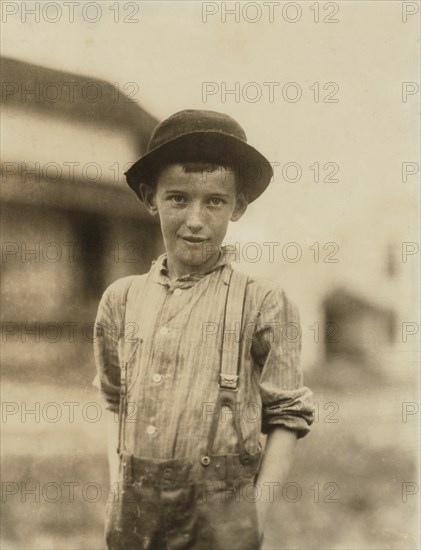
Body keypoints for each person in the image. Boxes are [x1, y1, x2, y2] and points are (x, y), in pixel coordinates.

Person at [93, 109, 314, 550]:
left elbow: (287, 417)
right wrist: (119, 488)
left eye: (214, 201)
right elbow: (113, 401)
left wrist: (253, 520)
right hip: (134, 516)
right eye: (178, 198)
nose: (195, 219)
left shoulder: (263, 301)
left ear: (239, 206)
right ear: (149, 197)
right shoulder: (121, 300)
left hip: (224, 520)